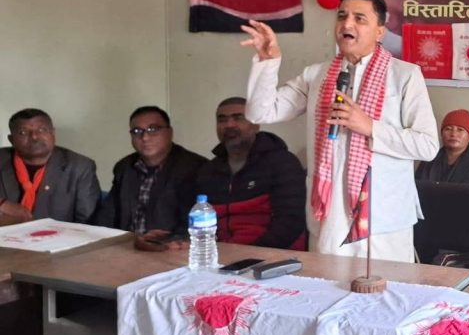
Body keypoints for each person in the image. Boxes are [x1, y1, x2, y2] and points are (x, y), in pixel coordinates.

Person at [243, 0, 438, 262]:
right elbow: (260, 112)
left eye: (359, 18)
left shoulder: (404, 75)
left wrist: (370, 127)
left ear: (379, 32)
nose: (347, 24)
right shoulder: (317, 75)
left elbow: (427, 146)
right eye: (342, 16)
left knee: (386, 288)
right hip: (329, 220)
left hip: (383, 221)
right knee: (328, 286)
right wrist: (268, 61)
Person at [190, 98, 306, 249]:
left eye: (238, 118)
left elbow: (290, 223)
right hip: (221, 254)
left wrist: (250, 254)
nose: (229, 125)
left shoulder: (282, 163)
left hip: (271, 255)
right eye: (222, 120)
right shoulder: (209, 170)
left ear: (256, 124)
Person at [95, 106, 207, 250]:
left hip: (171, 250)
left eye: (153, 129)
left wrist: (159, 241)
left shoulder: (195, 168)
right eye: (137, 131)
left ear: (170, 132)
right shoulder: (125, 167)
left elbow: (195, 226)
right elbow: (107, 217)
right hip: (126, 247)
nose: (145, 138)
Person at [0, 109, 99, 225]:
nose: (34, 137)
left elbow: (87, 222)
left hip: (60, 235)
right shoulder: (2, 158)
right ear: (11, 140)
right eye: (23, 132)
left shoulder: (80, 167)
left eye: (42, 130)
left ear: (53, 133)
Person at [415, 109, 469, 186]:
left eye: (460, 130)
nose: (453, 134)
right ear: (441, 135)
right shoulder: (429, 158)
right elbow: (415, 188)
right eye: (448, 129)